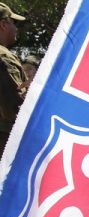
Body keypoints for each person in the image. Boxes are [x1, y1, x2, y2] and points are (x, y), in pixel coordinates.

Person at [0, 2, 27, 156]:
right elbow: (14, 107)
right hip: (6, 143)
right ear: (3, 24)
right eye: (14, 23)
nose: (16, 28)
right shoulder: (3, 57)